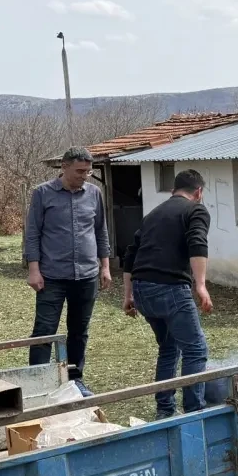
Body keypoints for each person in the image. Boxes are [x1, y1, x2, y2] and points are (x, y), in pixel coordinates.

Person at [121, 169, 213, 418]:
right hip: (170, 289)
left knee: (169, 348)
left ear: (173, 190)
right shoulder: (196, 209)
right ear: (198, 192)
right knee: (195, 350)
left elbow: (130, 254)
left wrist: (128, 295)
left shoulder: (153, 214)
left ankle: (165, 410)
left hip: (142, 290)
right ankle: (194, 412)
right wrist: (201, 284)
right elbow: (198, 242)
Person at [23, 146, 111, 393]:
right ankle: (38, 381)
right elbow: (33, 234)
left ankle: (74, 379)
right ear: (64, 167)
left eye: (88, 171)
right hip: (52, 275)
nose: (84, 175)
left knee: (79, 330)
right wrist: (34, 269)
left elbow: (101, 231)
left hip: (86, 275)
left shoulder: (94, 193)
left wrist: (105, 267)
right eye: (79, 171)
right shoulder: (42, 193)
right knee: (44, 329)